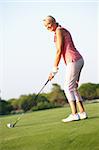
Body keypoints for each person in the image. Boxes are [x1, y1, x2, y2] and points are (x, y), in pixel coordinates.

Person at [43, 15, 87, 122]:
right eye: (45, 27)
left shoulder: (59, 31)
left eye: (48, 25)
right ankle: (82, 113)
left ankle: (74, 114)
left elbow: (59, 50)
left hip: (73, 60)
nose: (47, 28)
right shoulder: (61, 30)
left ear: (53, 22)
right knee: (73, 87)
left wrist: (54, 70)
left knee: (68, 88)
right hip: (78, 59)